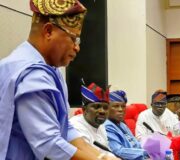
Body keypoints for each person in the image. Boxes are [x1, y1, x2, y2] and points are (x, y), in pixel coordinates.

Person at [0, 1, 113, 159]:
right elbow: (49, 144)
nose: (77, 47)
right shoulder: (33, 75)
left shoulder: (45, 69)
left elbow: (66, 130)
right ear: (48, 31)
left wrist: (103, 156)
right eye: (73, 39)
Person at [70, 83, 117, 158]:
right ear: (84, 110)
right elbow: (87, 156)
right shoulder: (75, 126)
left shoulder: (101, 126)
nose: (102, 111)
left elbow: (106, 152)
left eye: (105, 108)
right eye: (96, 107)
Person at [105, 90, 149, 160]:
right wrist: (146, 153)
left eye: (123, 106)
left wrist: (150, 150)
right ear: (107, 108)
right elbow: (118, 151)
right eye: (116, 106)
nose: (120, 109)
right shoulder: (107, 125)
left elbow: (136, 143)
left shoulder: (122, 124)